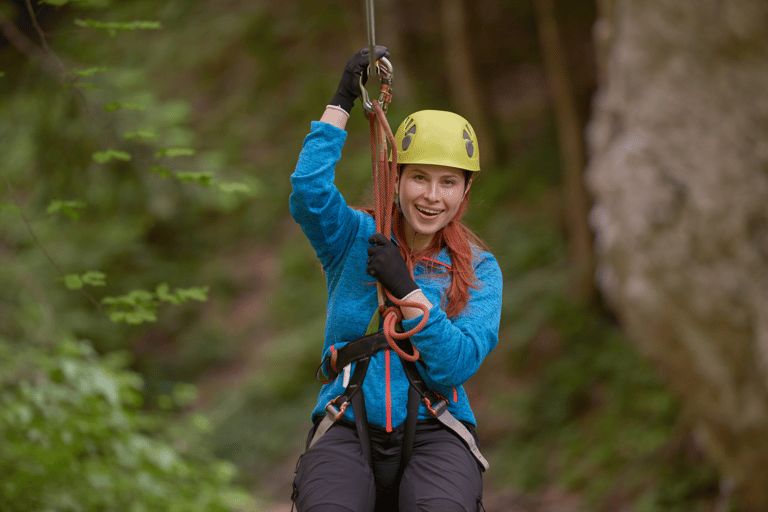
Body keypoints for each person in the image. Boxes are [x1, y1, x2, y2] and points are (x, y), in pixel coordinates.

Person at [289, 46, 502, 512]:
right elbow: (308, 193)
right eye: (419, 177)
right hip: (349, 421)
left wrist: (405, 288)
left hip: (436, 427)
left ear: (466, 191)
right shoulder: (353, 238)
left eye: (448, 182)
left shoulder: (480, 269)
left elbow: (456, 365)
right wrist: (341, 102)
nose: (431, 196)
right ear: (396, 176)